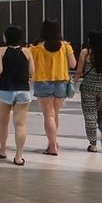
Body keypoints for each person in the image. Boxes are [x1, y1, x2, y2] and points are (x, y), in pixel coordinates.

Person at [31, 20, 76, 156]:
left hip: (43, 82)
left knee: (48, 115)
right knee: (55, 114)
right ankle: (54, 142)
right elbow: (73, 64)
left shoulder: (36, 47)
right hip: (61, 82)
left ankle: (52, 146)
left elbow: (30, 67)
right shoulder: (65, 46)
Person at [0, 25, 34, 166]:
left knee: (3, 122)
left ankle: (3, 150)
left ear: (6, 37)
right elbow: (32, 71)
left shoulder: (1, 50)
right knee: (20, 124)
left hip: (5, 89)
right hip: (23, 90)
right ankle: (19, 156)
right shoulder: (27, 51)